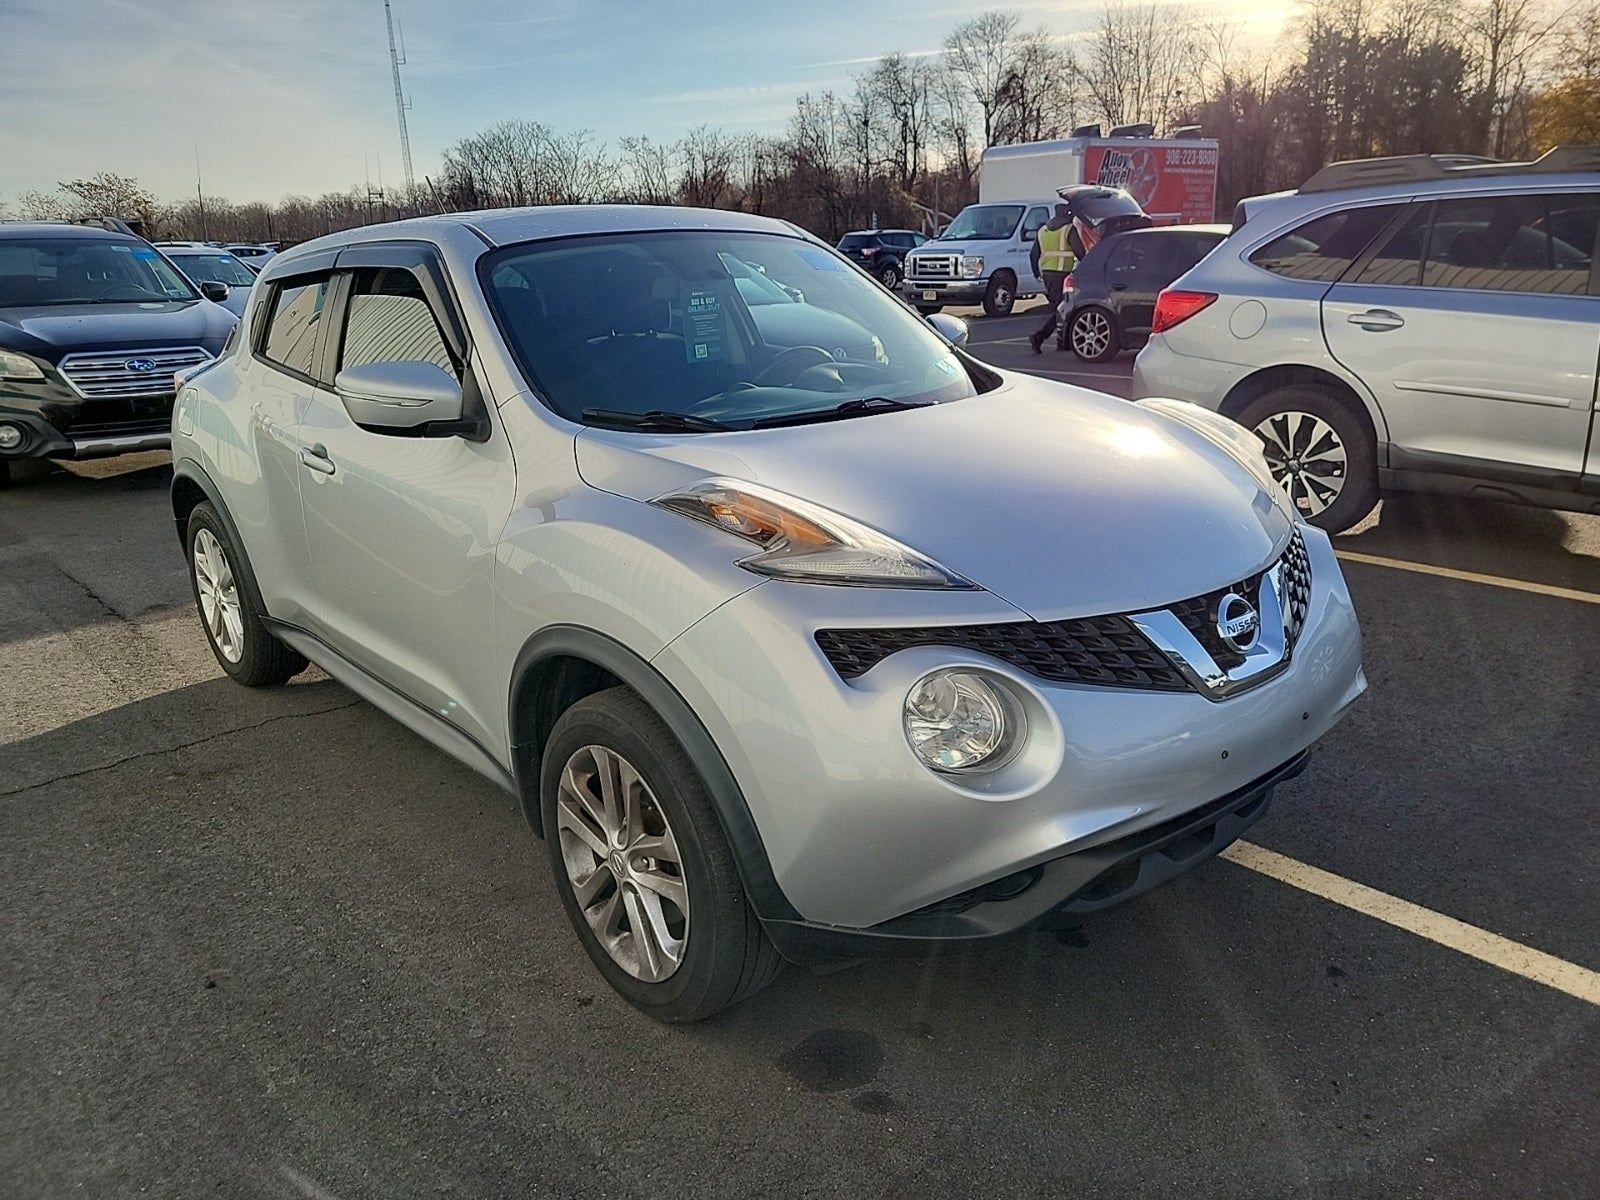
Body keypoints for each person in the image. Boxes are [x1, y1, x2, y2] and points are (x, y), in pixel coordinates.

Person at [1028, 202, 1077, 354]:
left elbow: (1033, 255)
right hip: (1063, 274)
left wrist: (1037, 273)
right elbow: (1080, 251)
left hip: (1048, 274)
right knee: (1061, 309)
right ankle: (1039, 336)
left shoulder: (1043, 230)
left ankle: (1062, 343)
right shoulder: (1069, 229)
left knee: (1060, 308)